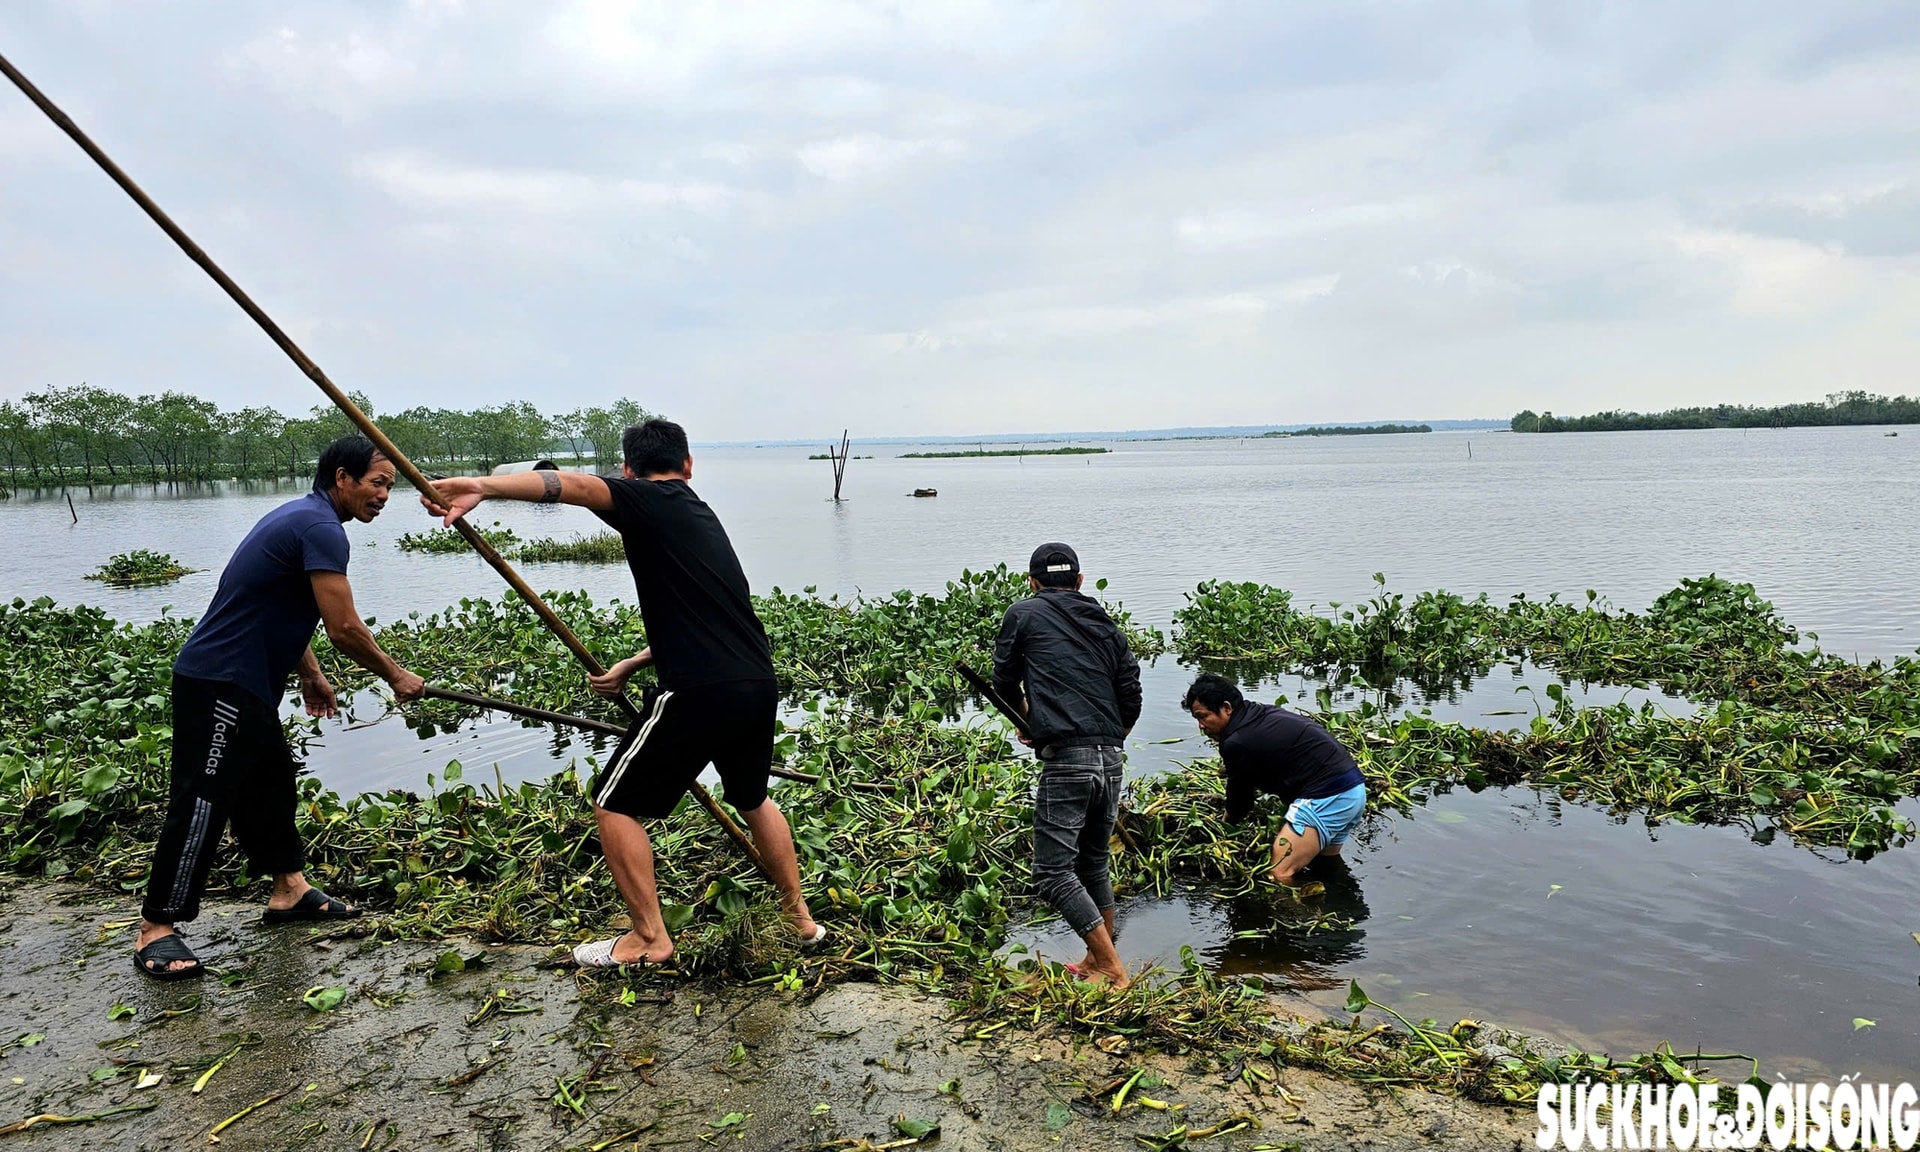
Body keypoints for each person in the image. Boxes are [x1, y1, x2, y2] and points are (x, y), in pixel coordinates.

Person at [421, 418, 821, 966]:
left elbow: (577, 487)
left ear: (630, 471)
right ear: (689, 465)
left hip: (699, 689)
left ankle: (649, 939)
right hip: (754, 681)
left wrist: (483, 486)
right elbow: (710, 613)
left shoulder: (647, 499)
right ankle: (800, 918)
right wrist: (633, 663)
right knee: (751, 797)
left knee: (613, 803)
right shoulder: (698, 514)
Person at [135, 435, 426, 980]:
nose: (385, 495)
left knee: (270, 783)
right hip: (220, 680)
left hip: (246, 681)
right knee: (204, 797)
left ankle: (289, 890)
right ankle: (157, 926)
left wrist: (311, 675)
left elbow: (282, 607)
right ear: (343, 478)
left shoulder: (304, 517)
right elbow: (343, 628)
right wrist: (394, 674)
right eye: (378, 483)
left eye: (391, 485)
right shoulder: (320, 529)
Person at [992, 542, 1141, 988]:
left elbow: (1003, 679)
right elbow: (1130, 693)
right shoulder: (1105, 622)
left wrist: (1029, 717)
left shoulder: (1023, 613)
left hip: (1068, 762)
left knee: (1052, 872)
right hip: (1110, 757)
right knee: (1094, 861)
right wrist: (1108, 739)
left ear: (1033, 582)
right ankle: (1100, 958)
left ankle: (1112, 969)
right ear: (1078, 581)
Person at [1181, 673, 1367, 887]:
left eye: (1203, 716)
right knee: (1325, 866)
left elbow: (1240, 801)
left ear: (1226, 708)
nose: (1201, 726)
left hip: (1326, 798)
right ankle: (1341, 913)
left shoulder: (1236, 741)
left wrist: (1222, 829)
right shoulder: (1257, 713)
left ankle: (1302, 915)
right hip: (1353, 792)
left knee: (1279, 874)